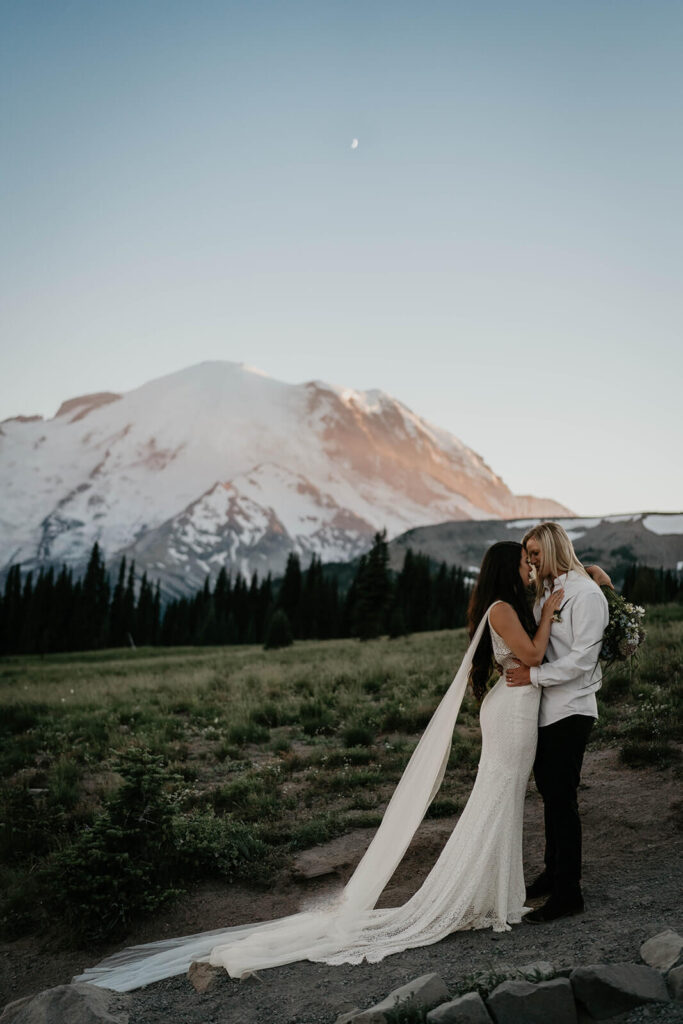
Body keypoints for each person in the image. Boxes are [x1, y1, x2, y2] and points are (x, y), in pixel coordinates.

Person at [75, 542, 565, 991]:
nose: (530, 566)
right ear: (507, 567)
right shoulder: (502, 609)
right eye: (524, 561)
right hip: (511, 713)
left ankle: (495, 893)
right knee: (496, 798)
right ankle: (475, 895)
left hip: (517, 707)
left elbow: (531, 657)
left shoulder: (509, 606)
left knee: (503, 799)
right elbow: (535, 653)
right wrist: (551, 614)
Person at [506, 522, 609, 923]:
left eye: (535, 553)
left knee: (562, 800)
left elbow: (584, 659)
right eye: (526, 555)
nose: (530, 561)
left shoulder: (585, 594)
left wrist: (534, 677)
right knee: (550, 796)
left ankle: (569, 892)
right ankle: (552, 873)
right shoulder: (546, 593)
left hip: (573, 708)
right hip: (546, 709)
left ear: (552, 550)